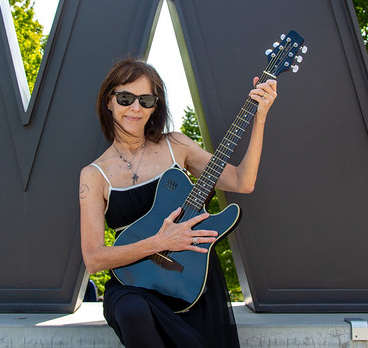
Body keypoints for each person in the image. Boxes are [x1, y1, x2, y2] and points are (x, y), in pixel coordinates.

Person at [79, 58, 277, 347]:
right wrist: (159, 242)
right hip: (132, 283)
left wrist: (260, 117)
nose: (135, 108)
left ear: (155, 106)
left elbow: (242, 182)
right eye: (125, 98)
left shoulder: (177, 146)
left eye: (145, 100)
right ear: (108, 102)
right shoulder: (94, 175)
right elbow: (94, 259)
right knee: (131, 310)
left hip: (189, 281)